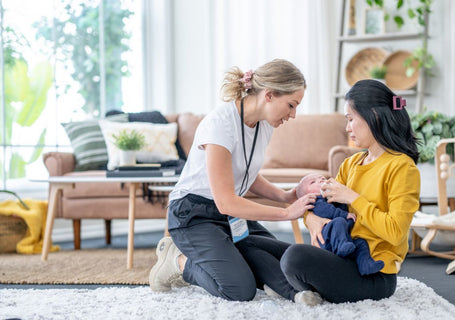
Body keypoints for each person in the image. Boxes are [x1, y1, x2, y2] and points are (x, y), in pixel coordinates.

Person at [148, 59, 323, 305]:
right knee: (239, 289)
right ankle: (177, 262)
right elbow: (226, 202)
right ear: (269, 95)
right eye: (291, 105)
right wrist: (287, 213)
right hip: (193, 215)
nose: (293, 115)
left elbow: (245, 172)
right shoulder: (220, 124)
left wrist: (286, 195)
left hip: (229, 218)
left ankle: (241, 263)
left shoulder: (264, 126)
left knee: (284, 257)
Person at [280, 79, 420, 303]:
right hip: (342, 258)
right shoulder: (351, 163)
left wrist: (353, 198)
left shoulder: (402, 167)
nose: (347, 128)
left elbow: (395, 232)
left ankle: (294, 288)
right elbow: (323, 203)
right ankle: (302, 288)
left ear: (373, 116)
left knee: (294, 257)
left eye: (351, 119)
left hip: (373, 275)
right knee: (265, 244)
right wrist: (311, 218)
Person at [296, 173, 384, 275]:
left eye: (323, 178)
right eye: (313, 182)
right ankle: (342, 246)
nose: (320, 180)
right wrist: (344, 215)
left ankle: (365, 265)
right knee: (339, 221)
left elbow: (342, 206)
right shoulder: (316, 201)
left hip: (344, 239)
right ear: (307, 195)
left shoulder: (331, 198)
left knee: (361, 242)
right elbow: (328, 211)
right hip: (328, 240)